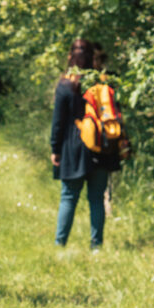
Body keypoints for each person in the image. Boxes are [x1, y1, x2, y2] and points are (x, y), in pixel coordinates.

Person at [50, 38, 120, 250]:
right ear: (93, 56)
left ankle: (60, 244)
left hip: (73, 147)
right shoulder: (103, 83)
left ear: (71, 56)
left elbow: (58, 122)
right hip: (102, 146)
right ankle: (96, 246)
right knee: (97, 198)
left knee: (69, 197)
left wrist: (55, 149)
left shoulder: (65, 85)